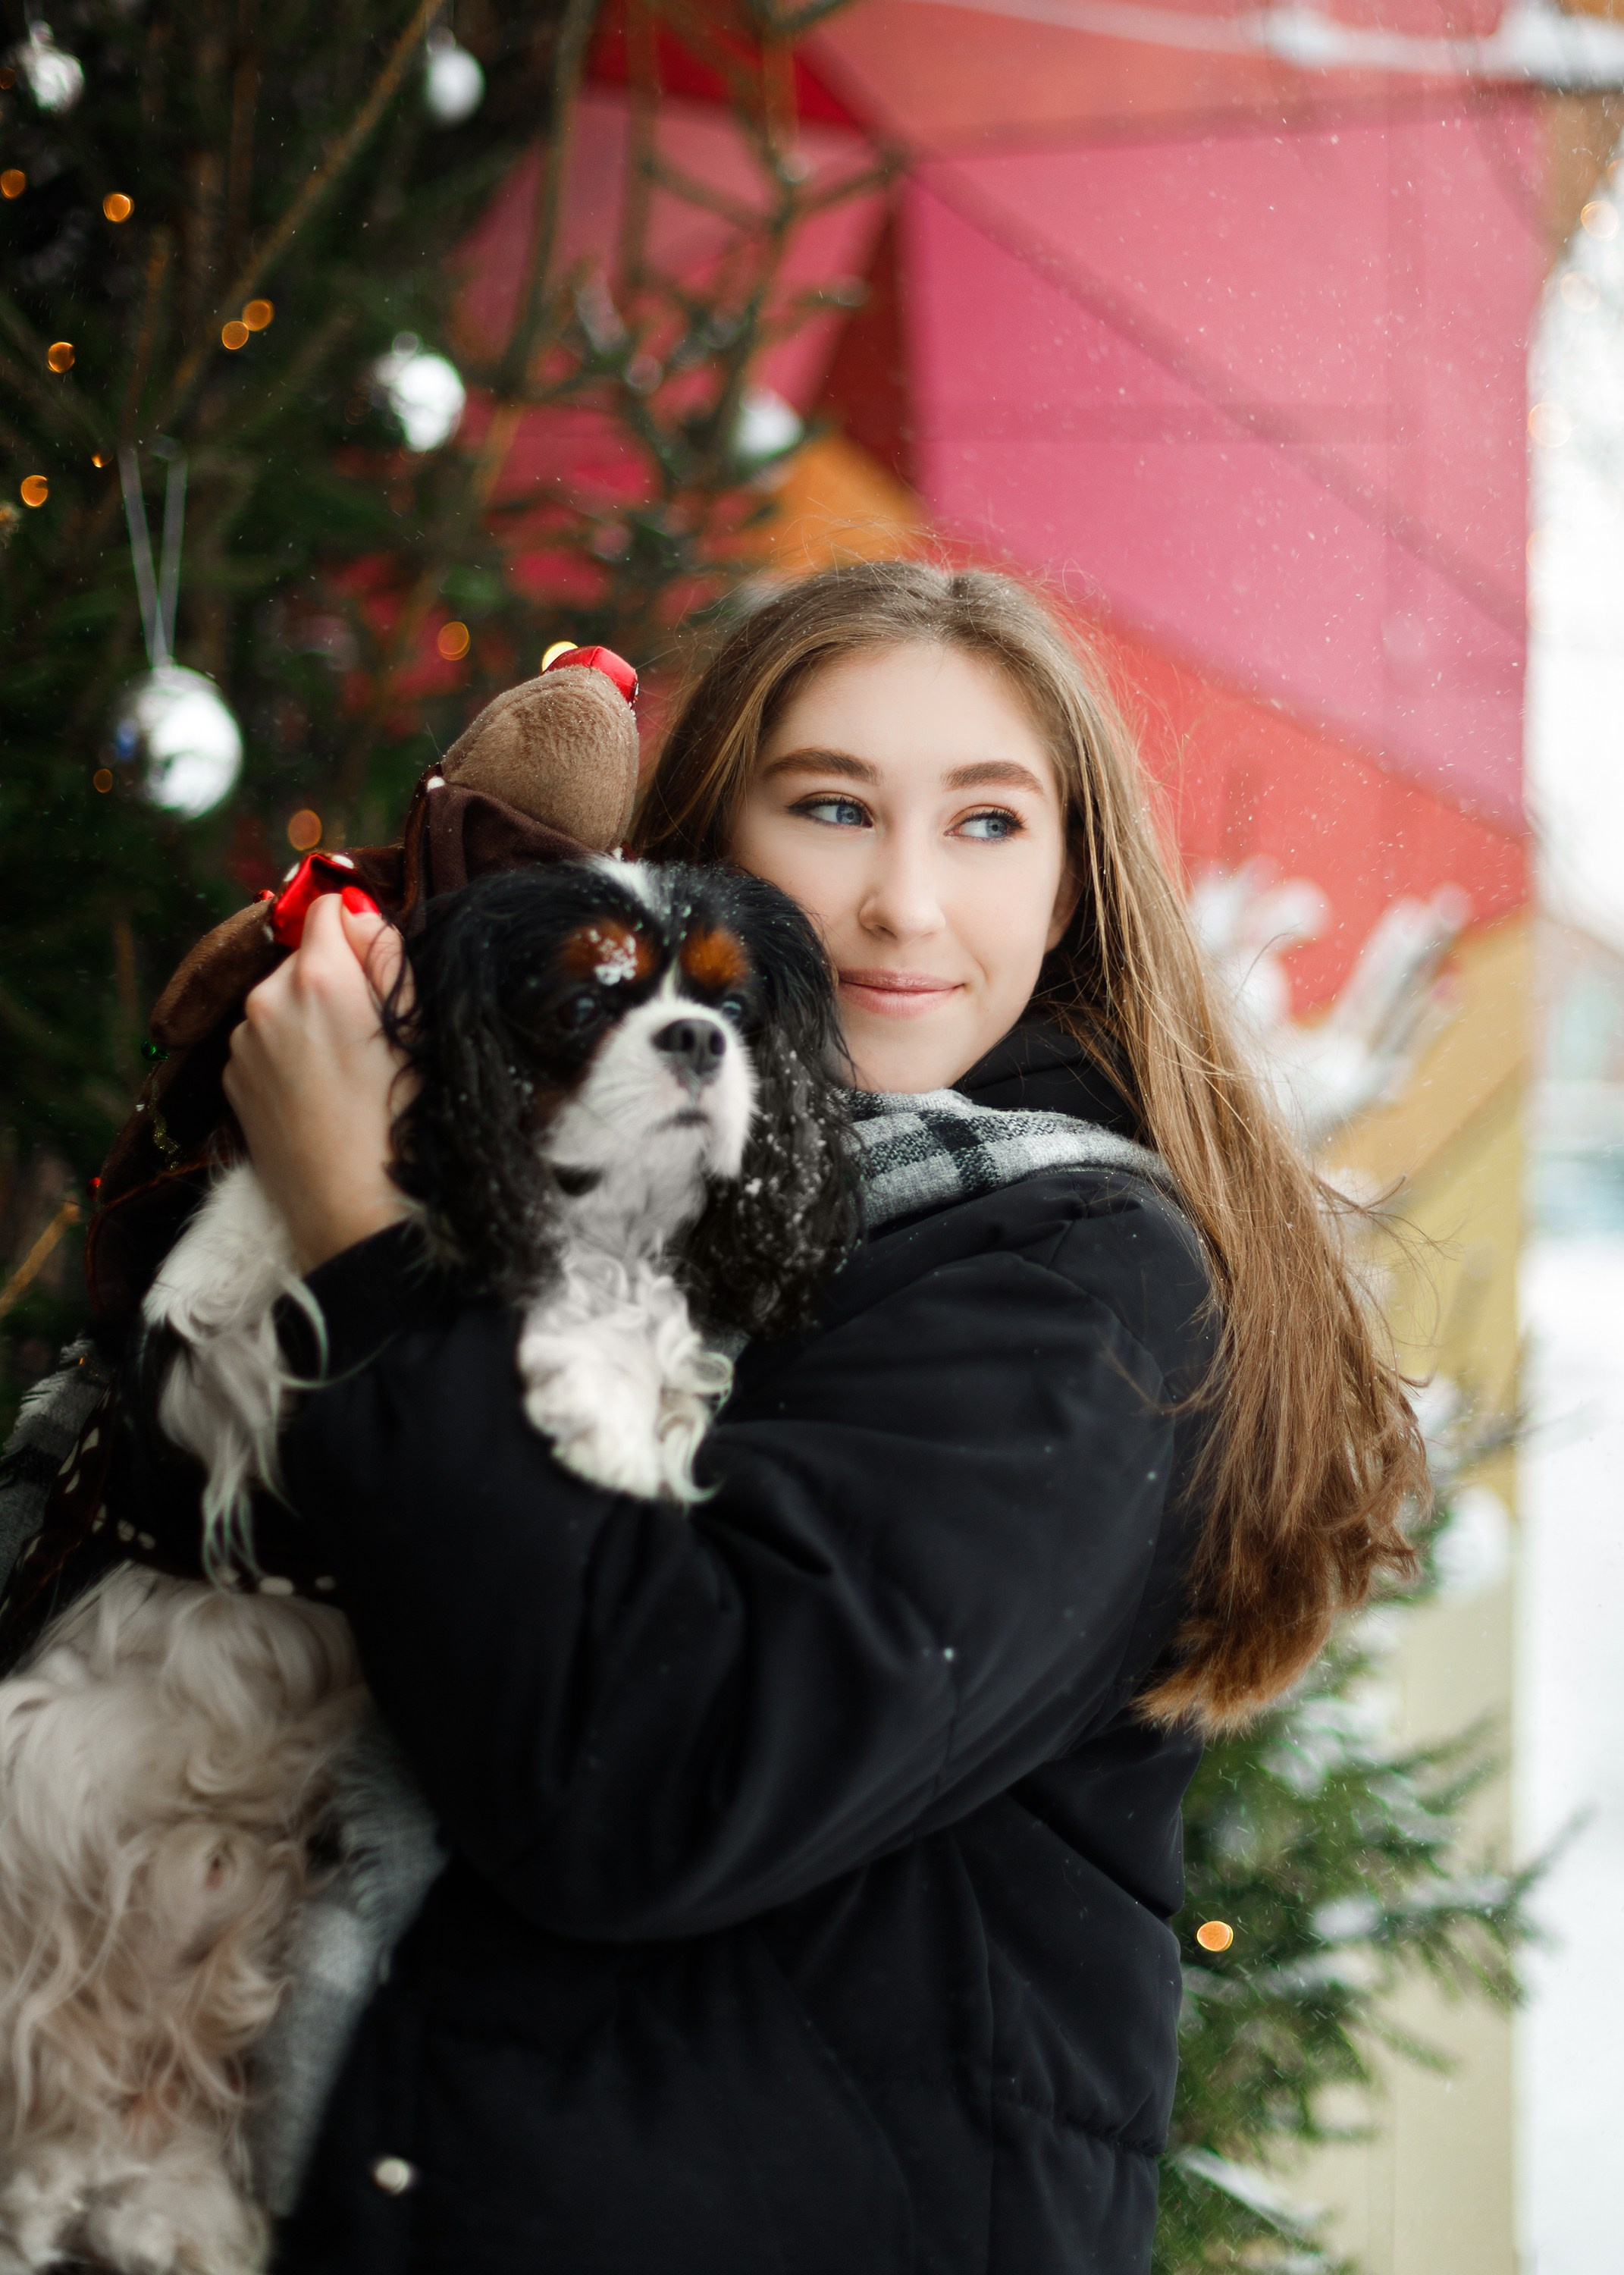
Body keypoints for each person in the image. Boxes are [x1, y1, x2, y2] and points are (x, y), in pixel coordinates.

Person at [220, 563, 1425, 2273]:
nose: (903, 906)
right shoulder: (621, 1207)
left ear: (1072, 887)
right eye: (834, 809)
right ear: (709, 849)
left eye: (988, 824)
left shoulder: (1073, 1284)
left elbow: (650, 1769)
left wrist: (359, 1241)